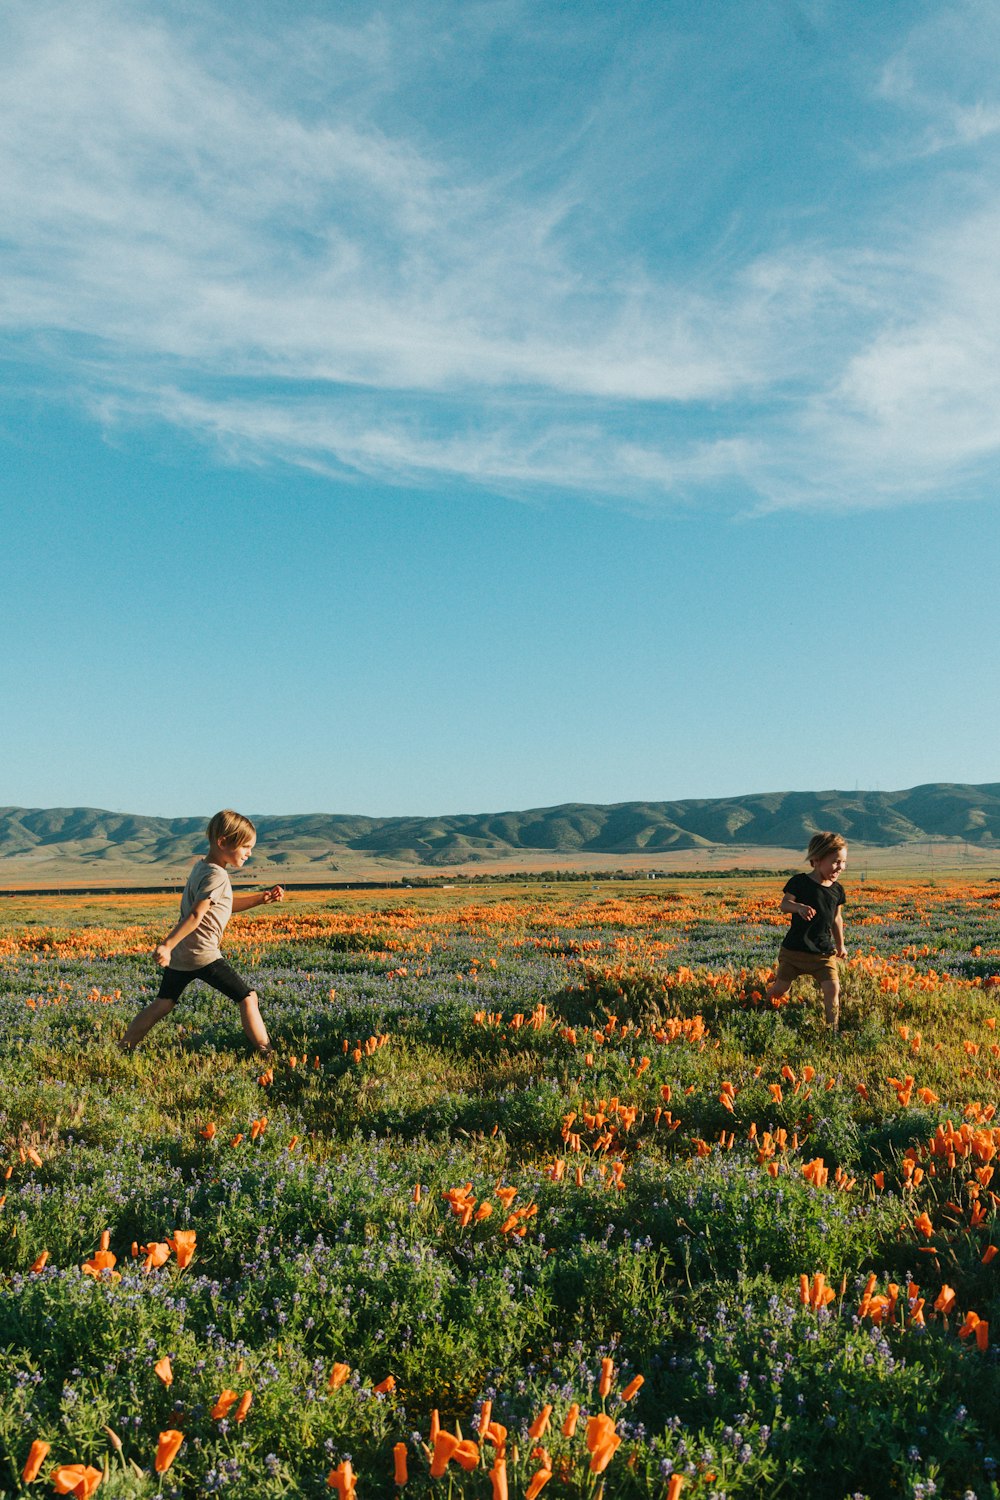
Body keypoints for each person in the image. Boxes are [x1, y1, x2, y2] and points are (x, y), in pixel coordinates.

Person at [120, 809, 283, 1056]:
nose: (250, 853)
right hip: (202, 953)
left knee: (163, 1003)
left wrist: (261, 898)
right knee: (248, 998)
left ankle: (123, 1047)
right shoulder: (217, 876)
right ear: (223, 842)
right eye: (246, 847)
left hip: (184, 953)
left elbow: (224, 905)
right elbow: (196, 915)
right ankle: (267, 1053)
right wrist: (166, 944)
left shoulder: (202, 868)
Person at [766, 831, 847, 1032]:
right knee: (781, 988)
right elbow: (785, 905)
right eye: (835, 862)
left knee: (832, 988)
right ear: (816, 860)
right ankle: (762, 1008)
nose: (840, 867)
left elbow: (837, 919)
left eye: (843, 862)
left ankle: (833, 1029)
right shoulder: (799, 882)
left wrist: (840, 945)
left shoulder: (837, 890)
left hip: (822, 953)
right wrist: (799, 907)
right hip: (794, 951)